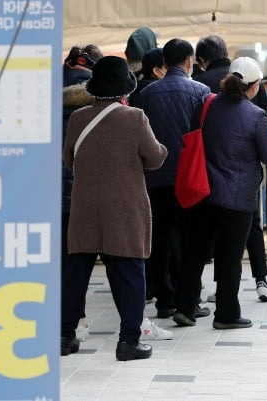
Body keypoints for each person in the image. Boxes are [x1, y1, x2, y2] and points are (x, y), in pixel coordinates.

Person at [61, 56, 168, 361]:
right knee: (131, 273)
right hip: (123, 208)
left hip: (84, 207)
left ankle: (64, 336)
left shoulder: (79, 118)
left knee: (76, 274)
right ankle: (128, 342)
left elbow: (68, 160)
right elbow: (155, 157)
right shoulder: (135, 118)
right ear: (125, 90)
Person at [173, 57, 267, 329]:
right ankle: (226, 314)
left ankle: (185, 307)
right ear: (255, 87)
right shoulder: (256, 116)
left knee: (195, 252)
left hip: (204, 192)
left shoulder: (207, 104)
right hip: (238, 197)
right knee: (230, 256)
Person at [192, 34, 267, 302]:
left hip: (209, 182)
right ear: (254, 86)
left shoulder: (207, 98)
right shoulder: (254, 111)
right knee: (241, 242)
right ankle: (254, 286)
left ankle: (190, 300)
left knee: (205, 245)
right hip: (242, 187)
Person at [138, 39, 211, 319]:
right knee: (190, 239)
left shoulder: (147, 94)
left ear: (164, 64)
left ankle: (165, 300)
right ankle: (188, 301)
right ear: (190, 61)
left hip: (155, 177)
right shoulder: (201, 91)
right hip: (190, 177)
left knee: (161, 239)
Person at [61, 45, 102, 341]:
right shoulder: (98, 104)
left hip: (44, 194)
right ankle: (76, 320)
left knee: (57, 261)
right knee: (78, 262)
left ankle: (57, 321)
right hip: (83, 194)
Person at [194, 35, 267, 111]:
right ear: (225, 52)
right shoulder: (251, 74)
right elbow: (264, 110)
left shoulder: (197, 82)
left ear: (201, 59)